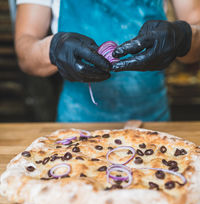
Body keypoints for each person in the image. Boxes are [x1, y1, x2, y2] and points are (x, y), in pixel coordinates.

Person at [15, 0, 200, 122]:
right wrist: (53, 48)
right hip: (77, 126)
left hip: (153, 122)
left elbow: (196, 31)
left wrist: (183, 37)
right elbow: (25, 52)